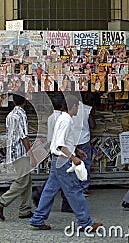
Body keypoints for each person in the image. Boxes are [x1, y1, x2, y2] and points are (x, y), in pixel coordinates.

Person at [29, 94, 102, 231]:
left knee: (49, 191)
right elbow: (60, 144)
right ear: (73, 106)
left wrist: (77, 151)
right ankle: (85, 223)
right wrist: (73, 157)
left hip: (57, 159)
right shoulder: (66, 120)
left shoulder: (62, 118)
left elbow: (62, 141)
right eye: (77, 107)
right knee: (75, 191)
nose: (78, 110)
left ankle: (38, 218)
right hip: (63, 161)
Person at [0, 93, 35, 220]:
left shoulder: (10, 115)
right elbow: (24, 136)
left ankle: (25, 209)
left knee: (27, 180)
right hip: (20, 152)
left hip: (13, 151)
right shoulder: (21, 114)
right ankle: (0, 202)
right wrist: (31, 154)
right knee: (22, 181)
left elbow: (10, 134)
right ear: (25, 101)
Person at [72, 100, 96, 197]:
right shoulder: (87, 109)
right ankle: (84, 188)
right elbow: (93, 125)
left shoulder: (68, 109)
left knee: (73, 165)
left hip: (73, 140)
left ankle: (74, 187)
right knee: (85, 165)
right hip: (84, 139)